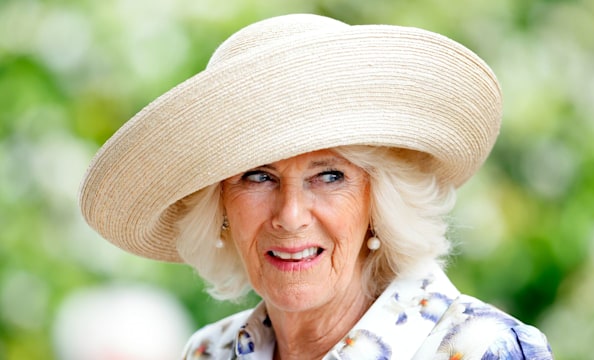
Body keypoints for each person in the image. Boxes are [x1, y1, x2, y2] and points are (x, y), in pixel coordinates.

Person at [79, 13, 553, 360]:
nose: (290, 215)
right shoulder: (209, 352)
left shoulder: (477, 349)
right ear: (219, 205)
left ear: (378, 201)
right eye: (257, 176)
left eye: (330, 176)